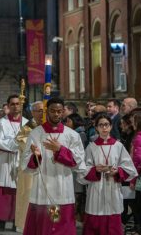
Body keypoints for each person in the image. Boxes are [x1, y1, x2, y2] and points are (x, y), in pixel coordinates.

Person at [21, 97, 86, 234]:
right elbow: (26, 163)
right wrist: (36, 156)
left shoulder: (72, 135)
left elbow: (79, 161)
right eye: (53, 111)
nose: (56, 114)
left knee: (61, 225)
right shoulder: (36, 133)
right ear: (47, 111)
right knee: (45, 225)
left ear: (63, 112)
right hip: (43, 188)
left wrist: (60, 150)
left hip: (63, 187)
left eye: (59, 111)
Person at [79, 113, 138, 235]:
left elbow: (131, 169)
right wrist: (95, 170)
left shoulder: (118, 146)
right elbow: (82, 171)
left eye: (106, 125)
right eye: (101, 125)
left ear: (111, 126)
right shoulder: (91, 147)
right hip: (96, 189)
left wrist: (118, 171)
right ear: (96, 128)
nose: (104, 128)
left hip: (113, 189)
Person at [0, 94, 28, 230]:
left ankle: (15, 220)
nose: (15, 106)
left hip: (20, 160)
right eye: (12, 104)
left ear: (21, 105)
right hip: (5, 160)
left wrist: (21, 145)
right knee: (4, 190)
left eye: (18, 104)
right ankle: (1, 220)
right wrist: (16, 144)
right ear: (8, 106)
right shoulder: (1, 123)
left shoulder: (26, 123)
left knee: (18, 190)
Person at [15, 100, 43, 232]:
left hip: (45, 167)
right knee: (28, 194)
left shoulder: (48, 126)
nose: (42, 113)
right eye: (39, 111)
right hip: (30, 167)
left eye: (44, 110)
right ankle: (24, 224)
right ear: (33, 112)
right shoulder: (27, 127)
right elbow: (21, 141)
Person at [65, 112, 88, 224]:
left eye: (69, 121)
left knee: (77, 194)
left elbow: (80, 153)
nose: (66, 123)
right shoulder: (73, 133)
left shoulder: (80, 134)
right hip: (71, 168)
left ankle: (76, 216)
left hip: (76, 168)